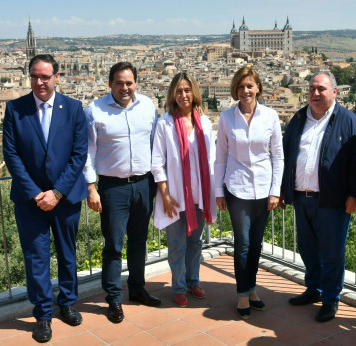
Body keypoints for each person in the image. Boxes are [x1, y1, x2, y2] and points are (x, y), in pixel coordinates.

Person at [3, 54, 87, 342]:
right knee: (36, 257)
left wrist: (57, 192)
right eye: (35, 76)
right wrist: (37, 193)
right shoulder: (15, 109)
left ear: (56, 77)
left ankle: (67, 303)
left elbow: (79, 155)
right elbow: (11, 156)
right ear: (29, 77)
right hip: (31, 201)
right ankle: (42, 315)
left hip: (65, 198)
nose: (40, 82)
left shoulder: (74, 108)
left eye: (45, 77)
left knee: (67, 252)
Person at [279, 71, 356, 322]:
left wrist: (355, 195)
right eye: (312, 89)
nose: (316, 93)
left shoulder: (348, 121)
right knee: (308, 248)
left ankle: (330, 299)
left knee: (332, 253)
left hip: (333, 200)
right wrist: (285, 189)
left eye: (322, 89)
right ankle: (313, 289)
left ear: (334, 92)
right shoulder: (298, 119)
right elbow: (286, 155)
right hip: (301, 196)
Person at [84, 62, 159, 324]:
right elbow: (88, 152)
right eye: (119, 83)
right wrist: (90, 187)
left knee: (139, 241)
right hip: (112, 187)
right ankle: (114, 298)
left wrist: (159, 182)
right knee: (114, 245)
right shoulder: (95, 110)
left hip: (143, 183)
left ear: (135, 83)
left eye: (129, 83)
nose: (124, 87)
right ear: (110, 84)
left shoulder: (148, 106)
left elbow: (155, 145)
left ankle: (137, 288)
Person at [214, 66, 284, 320]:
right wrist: (218, 191)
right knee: (242, 244)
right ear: (236, 90)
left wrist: (275, 191)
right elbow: (220, 157)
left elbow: (278, 156)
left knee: (256, 244)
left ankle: (252, 290)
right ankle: (243, 294)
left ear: (258, 88)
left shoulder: (271, 116)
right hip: (237, 188)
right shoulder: (226, 118)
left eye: (250, 86)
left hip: (264, 190)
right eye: (241, 86)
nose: (246, 91)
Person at [151, 72, 217, 307]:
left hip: (200, 196)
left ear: (194, 92)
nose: (183, 95)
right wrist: (165, 195)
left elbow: (212, 160)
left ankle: (193, 280)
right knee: (177, 244)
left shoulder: (205, 123)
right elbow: (157, 162)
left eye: (187, 90)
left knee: (195, 242)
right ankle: (179, 286)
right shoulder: (165, 124)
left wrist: (214, 194)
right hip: (175, 196)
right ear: (172, 94)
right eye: (178, 91)